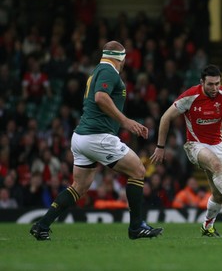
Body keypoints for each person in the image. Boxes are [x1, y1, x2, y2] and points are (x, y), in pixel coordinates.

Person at [30, 40, 163, 241]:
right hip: (97, 136)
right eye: (125, 57)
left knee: (79, 187)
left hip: (81, 137)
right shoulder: (109, 71)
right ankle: (136, 227)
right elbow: (101, 98)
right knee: (138, 171)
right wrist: (126, 121)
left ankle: (42, 225)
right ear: (121, 57)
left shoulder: (98, 71)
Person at [150, 64, 222, 237]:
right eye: (210, 84)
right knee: (217, 167)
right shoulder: (190, 96)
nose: (214, 88)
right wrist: (160, 146)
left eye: (217, 83)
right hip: (195, 145)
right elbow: (165, 118)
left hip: (218, 146)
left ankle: (207, 226)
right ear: (202, 82)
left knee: (217, 195)